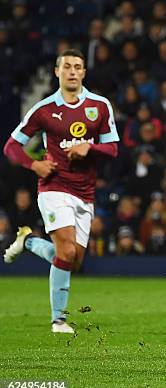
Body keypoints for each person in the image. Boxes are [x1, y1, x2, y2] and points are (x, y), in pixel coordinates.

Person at [2, 49, 119, 333]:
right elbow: (11, 146)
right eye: (67, 66)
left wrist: (89, 147)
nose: (72, 71)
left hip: (85, 192)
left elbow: (113, 149)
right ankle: (59, 319)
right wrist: (35, 165)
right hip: (53, 186)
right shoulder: (43, 110)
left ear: (84, 72)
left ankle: (28, 241)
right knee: (65, 252)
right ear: (57, 72)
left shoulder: (100, 106)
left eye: (77, 66)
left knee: (73, 260)